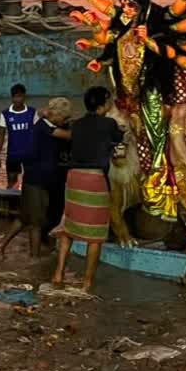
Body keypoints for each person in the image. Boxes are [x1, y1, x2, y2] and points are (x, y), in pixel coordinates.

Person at [50, 86, 123, 291]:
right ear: (104, 102)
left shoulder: (77, 124)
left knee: (69, 227)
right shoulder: (109, 123)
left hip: (73, 178)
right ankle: (87, 282)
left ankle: (58, 274)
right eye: (109, 100)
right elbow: (118, 139)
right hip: (94, 179)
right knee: (95, 235)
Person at [0, 97, 72, 261]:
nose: (65, 120)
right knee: (35, 221)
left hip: (45, 180)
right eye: (64, 117)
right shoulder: (43, 127)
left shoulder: (48, 124)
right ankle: (34, 257)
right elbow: (69, 135)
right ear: (55, 115)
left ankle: (0, 246)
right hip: (37, 180)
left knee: (26, 217)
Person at [0, 83, 37, 188]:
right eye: (15, 96)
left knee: (31, 182)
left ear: (24, 97)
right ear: (12, 97)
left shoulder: (32, 112)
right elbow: (1, 135)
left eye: (20, 96)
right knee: (11, 182)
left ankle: (28, 202)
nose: (17, 99)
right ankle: (12, 203)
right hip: (13, 154)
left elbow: (38, 133)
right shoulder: (5, 114)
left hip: (30, 154)